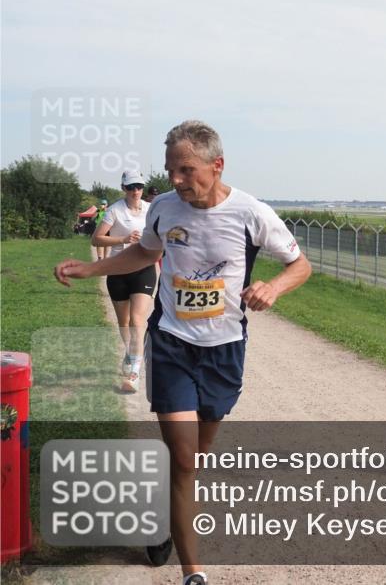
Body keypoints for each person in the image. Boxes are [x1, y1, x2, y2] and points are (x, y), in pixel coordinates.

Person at [55, 120, 312, 585]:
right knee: (186, 457)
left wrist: (274, 286)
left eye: (186, 170)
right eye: (171, 170)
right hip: (172, 342)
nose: (175, 180)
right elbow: (143, 254)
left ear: (217, 166)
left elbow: (300, 264)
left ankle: (163, 507)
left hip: (225, 350)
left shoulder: (251, 213)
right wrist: (92, 269)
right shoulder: (165, 210)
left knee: (196, 455)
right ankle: (193, 573)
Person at [91, 170, 155, 393]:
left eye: (138, 186)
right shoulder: (114, 211)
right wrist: (123, 239)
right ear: (123, 188)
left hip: (143, 268)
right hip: (118, 270)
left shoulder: (150, 209)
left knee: (138, 320)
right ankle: (130, 352)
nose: (135, 191)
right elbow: (96, 238)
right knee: (124, 322)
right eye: (131, 187)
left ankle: (135, 372)